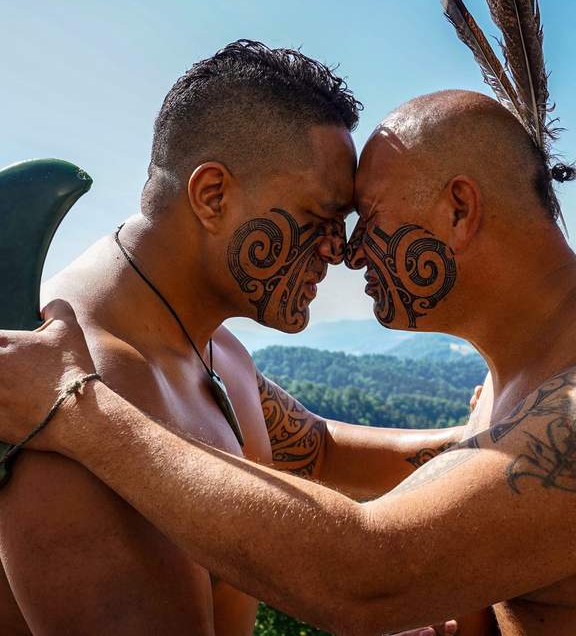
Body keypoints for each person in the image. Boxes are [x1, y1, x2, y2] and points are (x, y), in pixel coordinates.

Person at [2, 88, 576, 635]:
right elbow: (324, 447)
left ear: (459, 211)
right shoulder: (502, 397)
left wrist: (75, 406)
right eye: (330, 219)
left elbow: (372, 573)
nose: (348, 250)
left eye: (366, 218)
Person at [0, 42, 477, 635]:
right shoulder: (72, 391)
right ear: (212, 195)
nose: (344, 252)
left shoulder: (212, 348)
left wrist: (499, 447)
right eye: (321, 218)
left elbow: (319, 448)